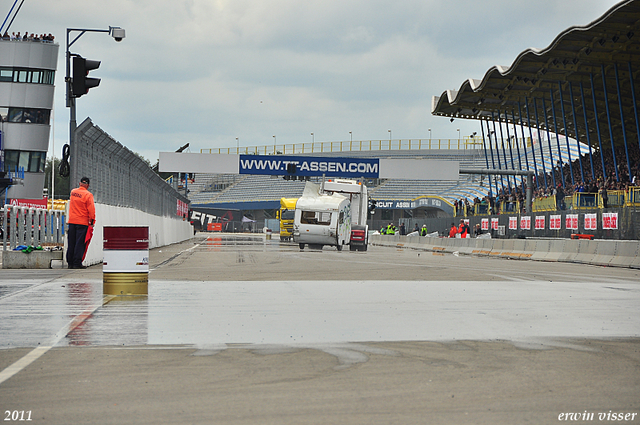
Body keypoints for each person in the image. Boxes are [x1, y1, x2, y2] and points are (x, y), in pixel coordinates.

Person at [66, 177, 95, 269]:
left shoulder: (73, 192)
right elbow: (91, 209)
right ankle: (77, 263)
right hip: (82, 222)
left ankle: (70, 262)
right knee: (80, 243)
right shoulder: (88, 195)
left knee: (71, 242)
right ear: (88, 185)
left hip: (72, 221)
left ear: (79, 183)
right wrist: (92, 220)